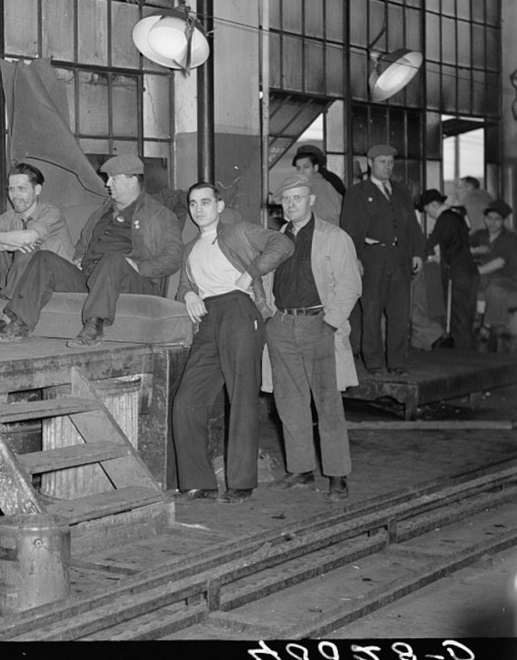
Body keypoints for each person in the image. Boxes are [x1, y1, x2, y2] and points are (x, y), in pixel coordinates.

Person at [171, 182, 294, 505]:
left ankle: (241, 482)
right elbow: (183, 283)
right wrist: (188, 294)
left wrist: (250, 272)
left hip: (240, 311)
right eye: (193, 203)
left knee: (240, 398)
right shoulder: (190, 248)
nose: (199, 209)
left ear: (220, 206)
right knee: (186, 400)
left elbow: (282, 244)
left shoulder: (238, 232)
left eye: (206, 202)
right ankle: (199, 482)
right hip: (209, 321)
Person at [0, 154, 183, 348]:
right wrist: (79, 257)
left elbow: (173, 257)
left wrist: (139, 266)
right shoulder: (102, 213)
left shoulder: (158, 214)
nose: (107, 183)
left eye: (114, 178)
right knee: (43, 258)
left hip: (131, 281)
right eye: (107, 178)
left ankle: (93, 327)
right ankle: (19, 325)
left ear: (132, 180)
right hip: (90, 278)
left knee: (112, 258)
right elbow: (83, 242)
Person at [262, 175, 360, 502]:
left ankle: (337, 475)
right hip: (282, 326)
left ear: (312, 200)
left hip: (320, 324)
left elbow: (350, 287)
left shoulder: (334, 237)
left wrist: (330, 325)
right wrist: (268, 315)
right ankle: (301, 471)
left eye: (298, 198)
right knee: (289, 404)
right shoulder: (276, 239)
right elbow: (262, 280)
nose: (291, 204)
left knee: (327, 403)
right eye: (286, 199)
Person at [0, 162, 74, 338]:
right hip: (23, 275)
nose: (15, 196)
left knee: (26, 248)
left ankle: (8, 317)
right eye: (11, 189)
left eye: (21, 189)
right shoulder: (10, 217)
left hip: (54, 277)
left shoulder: (51, 212)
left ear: (37, 190)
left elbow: (27, 239)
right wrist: (4, 245)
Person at [339, 145, 424, 376]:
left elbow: (413, 226)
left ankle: (397, 363)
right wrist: (355, 258)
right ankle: (374, 363)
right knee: (372, 312)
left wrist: (418, 253)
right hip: (372, 259)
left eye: (390, 162)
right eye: (382, 162)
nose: (387, 166)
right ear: (370, 163)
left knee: (400, 313)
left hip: (400, 259)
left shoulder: (401, 191)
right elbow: (348, 229)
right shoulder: (356, 192)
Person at [417, 189, 479, 349]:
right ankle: (468, 353)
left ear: (433, 205)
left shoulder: (444, 220)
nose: (428, 214)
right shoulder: (457, 217)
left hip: (457, 274)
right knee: (466, 318)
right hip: (469, 271)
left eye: (427, 210)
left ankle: (461, 356)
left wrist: (417, 256)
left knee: (458, 318)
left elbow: (430, 244)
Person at [470, 200, 517, 337]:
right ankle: (471, 324)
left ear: (503, 221)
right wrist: (476, 249)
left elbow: (500, 262)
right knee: (467, 284)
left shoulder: (510, 237)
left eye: (497, 219)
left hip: (509, 276)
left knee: (494, 289)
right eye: (489, 218)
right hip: (487, 276)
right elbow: (462, 249)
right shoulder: (480, 235)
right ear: (485, 219)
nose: (492, 223)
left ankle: (489, 326)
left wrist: (477, 271)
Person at [292, 145, 343, 225]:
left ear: (315, 166)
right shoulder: (328, 179)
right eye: (298, 168)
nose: (301, 172)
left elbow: (330, 215)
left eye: (306, 167)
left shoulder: (319, 183)